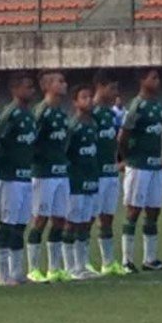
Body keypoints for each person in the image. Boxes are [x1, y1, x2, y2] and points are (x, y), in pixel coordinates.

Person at [118, 68, 162, 272]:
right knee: (133, 210)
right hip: (139, 166)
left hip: (155, 165)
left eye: (158, 77)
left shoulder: (159, 105)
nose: (157, 81)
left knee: (154, 211)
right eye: (153, 78)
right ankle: (127, 260)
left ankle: (150, 259)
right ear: (142, 80)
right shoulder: (136, 106)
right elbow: (123, 137)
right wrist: (127, 158)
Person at [0, 72, 37, 285]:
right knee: (7, 225)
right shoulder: (10, 114)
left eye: (32, 87)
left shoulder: (29, 114)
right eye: (27, 86)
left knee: (20, 224)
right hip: (9, 178)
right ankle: (2, 274)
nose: (32, 90)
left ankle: (17, 272)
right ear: (15, 89)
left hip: (26, 176)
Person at [27, 70, 70, 283]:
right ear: (47, 86)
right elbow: (31, 142)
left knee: (60, 220)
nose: (64, 84)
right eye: (59, 81)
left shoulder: (61, 113)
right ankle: (33, 268)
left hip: (61, 172)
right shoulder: (40, 112)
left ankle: (54, 268)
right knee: (40, 219)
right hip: (43, 174)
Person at [63, 83, 101, 280]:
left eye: (90, 97)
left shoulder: (93, 124)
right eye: (84, 97)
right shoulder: (72, 126)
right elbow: (65, 153)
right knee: (71, 223)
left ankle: (82, 264)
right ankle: (70, 267)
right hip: (75, 181)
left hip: (91, 179)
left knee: (85, 223)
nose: (89, 101)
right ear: (75, 102)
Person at [91, 70, 122, 275]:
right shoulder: (90, 113)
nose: (115, 93)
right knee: (85, 220)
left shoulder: (112, 114)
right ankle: (80, 262)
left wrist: (120, 161)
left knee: (108, 218)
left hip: (111, 174)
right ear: (100, 87)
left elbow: (116, 142)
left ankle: (108, 262)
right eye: (112, 88)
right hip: (95, 174)